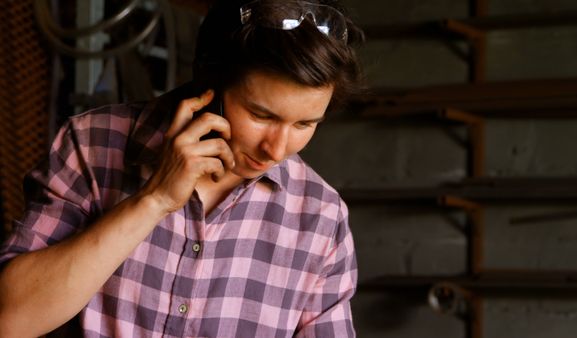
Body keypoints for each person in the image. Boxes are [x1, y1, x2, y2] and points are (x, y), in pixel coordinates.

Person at [0, 0, 364, 336]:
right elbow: (11, 319)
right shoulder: (94, 143)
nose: (277, 148)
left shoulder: (321, 217)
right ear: (211, 83)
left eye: (304, 124)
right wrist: (154, 200)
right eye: (260, 115)